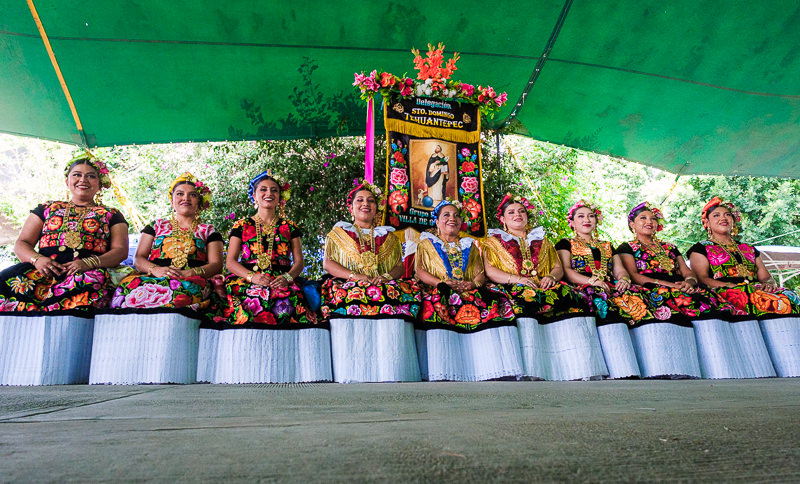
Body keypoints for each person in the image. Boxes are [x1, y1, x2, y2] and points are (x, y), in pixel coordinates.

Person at [200, 171, 329, 384]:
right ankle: (247, 365)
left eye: (274, 190)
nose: (269, 193)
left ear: (280, 197)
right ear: (254, 196)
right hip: (248, 278)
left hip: (282, 277)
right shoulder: (241, 226)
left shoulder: (290, 227)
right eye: (263, 189)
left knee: (289, 298)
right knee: (253, 297)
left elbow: (299, 262)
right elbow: (231, 262)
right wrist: (252, 277)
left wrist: (287, 277)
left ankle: (286, 366)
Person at [481, 194, 605, 381]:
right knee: (526, 299)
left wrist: (550, 277)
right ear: (502, 218)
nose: (517, 215)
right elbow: (489, 270)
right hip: (511, 286)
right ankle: (531, 369)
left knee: (571, 297)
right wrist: (515, 279)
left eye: (522, 211)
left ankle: (577, 366)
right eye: (511, 212)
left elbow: (557, 267)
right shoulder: (492, 242)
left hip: (544, 284)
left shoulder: (543, 240)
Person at [0, 152, 128, 312]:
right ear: (67, 181)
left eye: (90, 176)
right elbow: (22, 243)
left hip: (86, 272)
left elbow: (121, 251)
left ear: (100, 184)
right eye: (77, 175)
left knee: (88, 288)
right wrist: (37, 260)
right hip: (42, 270)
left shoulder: (112, 214)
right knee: (5, 281)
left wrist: (88, 263)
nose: (83, 180)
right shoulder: (47, 208)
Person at [322, 180, 421, 382]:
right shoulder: (338, 233)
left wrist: (384, 277)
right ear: (351, 208)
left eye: (371, 200)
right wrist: (356, 277)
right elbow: (328, 265)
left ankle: (391, 367)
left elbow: (399, 267)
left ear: (377, 208)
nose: (365, 204)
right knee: (351, 293)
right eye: (360, 200)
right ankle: (352, 368)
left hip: (382, 283)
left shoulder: (389, 237)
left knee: (393, 293)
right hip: (347, 282)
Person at [687, 196, 797, 377]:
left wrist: (768, 285)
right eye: (717, 215)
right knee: (759, 300)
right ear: (706, 222)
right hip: (722, 290)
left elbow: (765, 277)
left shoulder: (748, 248)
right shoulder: (700, 248)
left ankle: (789, 355)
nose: (723, 218)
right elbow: (702, 279)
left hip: (754, 289)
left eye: (727, 215)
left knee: (789, 296)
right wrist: (731, 286)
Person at [415, 199, 522, 381]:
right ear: (437, 221)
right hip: (439, 289)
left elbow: (481, 272)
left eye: (456, 215)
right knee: (436, 305)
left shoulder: (470, 244)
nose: (452, 219)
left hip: (469, 289)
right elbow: (419, 270)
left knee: (493, 304)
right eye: (446, 215)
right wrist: (441, 284)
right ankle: (443, 370)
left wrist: (472, 284)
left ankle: (490, 368)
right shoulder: (425, 244)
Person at [617, 201, 722, 378]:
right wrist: (669, 285)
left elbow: (687, 272)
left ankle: (711, 362)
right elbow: (635, 276)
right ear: (632, 224)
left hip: (679, 287)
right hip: (650, 288)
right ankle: (670, 366)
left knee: (711, 300)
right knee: (677, 302)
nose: (649, 222)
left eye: (653, 218)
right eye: (642, 218)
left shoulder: (670, 247)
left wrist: (689, 282)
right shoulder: (626, 247)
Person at [555, 200, 643, 379]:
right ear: (571, 222)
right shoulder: (565, 243)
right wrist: (591, 282)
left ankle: (630, 366)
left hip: (608, 286)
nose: (586, 219)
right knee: (600, 301)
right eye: (580, 216)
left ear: (596, 220)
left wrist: (624, 280)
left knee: (638, 298)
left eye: (591, 216)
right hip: (581, 285)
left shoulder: (607, 245)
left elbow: (619, 271)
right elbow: (566, 271)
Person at [111, 172, 222, 310]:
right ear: (172, 200)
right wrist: (156, 270)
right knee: (126, 293)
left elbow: (216, 264)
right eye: (180, 194)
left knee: (179, 296)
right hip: (154, 277)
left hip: (191, 279)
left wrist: (189, 273)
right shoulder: (156, 225)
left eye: (192, 195)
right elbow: (138, 259)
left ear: (199, 202)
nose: (185, 198)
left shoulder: (209, 230)